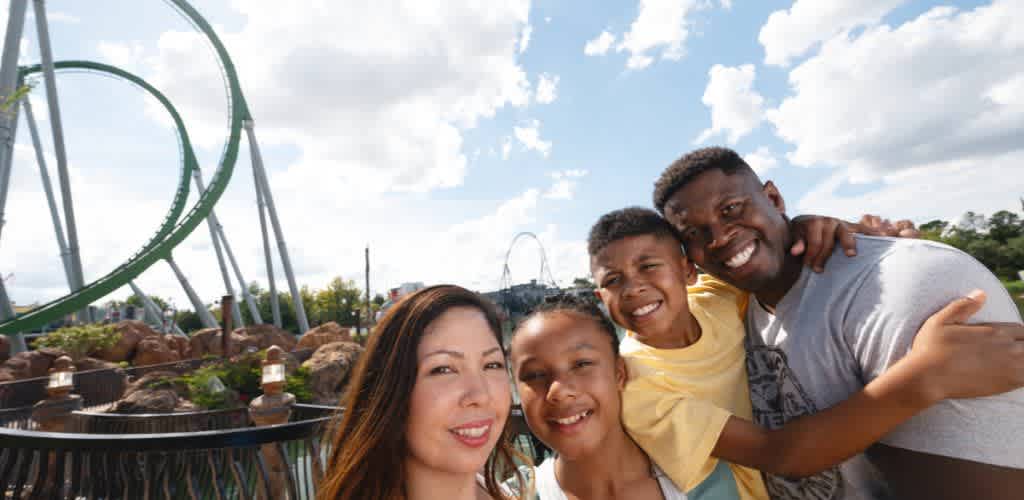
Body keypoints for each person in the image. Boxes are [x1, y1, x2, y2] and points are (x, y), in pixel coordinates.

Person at [652, 146, 1024, 499]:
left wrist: (930, 375)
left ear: (775, 199)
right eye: (694, 234)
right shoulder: (726, 301)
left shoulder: (901, 290)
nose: (719, 237)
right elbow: (781, 455)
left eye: (731, 209)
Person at [317, 285, 527, 500]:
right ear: (391, 391)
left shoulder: (498, 490)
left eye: (492, 365)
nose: (480, 395)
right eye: (443, 369)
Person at [510, 295, 688, 500]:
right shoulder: (510, 496)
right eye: (535, 375)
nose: (558, 391)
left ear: (619, 373)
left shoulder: (701, 478)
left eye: (581, 364)